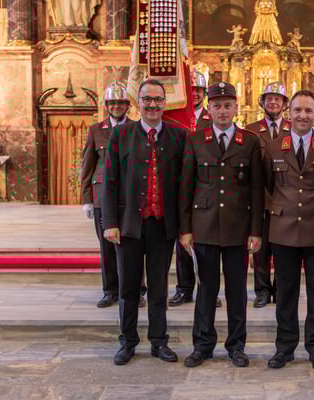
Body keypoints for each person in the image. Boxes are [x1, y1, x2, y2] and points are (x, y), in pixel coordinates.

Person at [102, 79, 187, 365]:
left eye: (158, 99)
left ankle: (159, 341)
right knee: (128, 288)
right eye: (147, 99)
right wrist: (109, 222)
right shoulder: (121, 134)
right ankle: (127, 342)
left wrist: (185, 226)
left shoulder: (178, 136)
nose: (152, 104)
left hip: (162, 225)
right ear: (138, 102)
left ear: (165, 103)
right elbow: (110, 180)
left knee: (159, 288)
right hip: (128, 225)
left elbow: (184, 184)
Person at [179, 82, 264, 368]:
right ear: (209, 108)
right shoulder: (196, 139)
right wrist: (185, 229)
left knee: (236, 291)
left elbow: (256, 190)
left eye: (228, 105)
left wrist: (255, 231)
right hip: (204, 226)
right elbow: (186, 187)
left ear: (235, 107)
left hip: (237, 228)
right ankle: (202, 345)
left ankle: (236, 346)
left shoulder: (249, 141)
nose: (223, 111)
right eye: (217, 106)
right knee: (206, 290)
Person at [263, 89, 314, 372]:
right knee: (285, 293)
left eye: (308, 110)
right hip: (283, 230)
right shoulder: (274, 147)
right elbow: (268, 186)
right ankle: (284, 348)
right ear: (289, 113)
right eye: (297, 110)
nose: (302, 115)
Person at [80, 81, 147, 309]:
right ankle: (110, 290)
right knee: (107, 248)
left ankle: (137, 291)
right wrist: (87, 199)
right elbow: (88, 166)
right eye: (112, 103)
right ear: (106, 105)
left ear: (128, 105)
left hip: (131, 197)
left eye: (120, 103)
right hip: (102, 197)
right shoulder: (96, 130)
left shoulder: (138, 128)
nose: (116, 106)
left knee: (134, 246)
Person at [169, 70, 221, 308]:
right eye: (191, 91)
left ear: (205, 94)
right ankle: (184, 288)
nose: (195, 95)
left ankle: (209, 289)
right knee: (183, 240)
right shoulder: (176, 117)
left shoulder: (213, 118)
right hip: (181, 183)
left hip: (206, 184)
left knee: (208, 243)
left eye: (198, 91)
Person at [244, 81, 291, 308]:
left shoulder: (293, 128)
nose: (273, 102)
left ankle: (281, 290)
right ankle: (262, 291)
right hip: (260, 198)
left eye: (277, 99)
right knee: (260, 249)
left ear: (284, 104)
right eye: (269, 99)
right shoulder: (251, 130)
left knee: (283, 250)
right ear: (262, 102)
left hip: (286, 199)